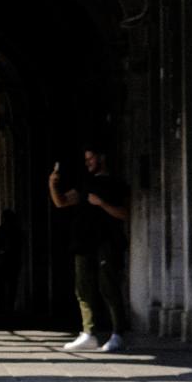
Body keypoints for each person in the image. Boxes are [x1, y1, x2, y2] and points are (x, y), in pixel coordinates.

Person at [51, 149, 132, 355]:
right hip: (83, 242)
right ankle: (89, 333)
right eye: (85, 159)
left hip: (107, 242)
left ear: (102, 157)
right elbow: (61, 202)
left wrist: (102, 203)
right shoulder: (85, 184)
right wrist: (52, 184)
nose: (87, 163)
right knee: (83, 289)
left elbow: (124, 214)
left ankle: (118, 334)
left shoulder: (115, 184)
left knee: (109, 287)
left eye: (91, 158)